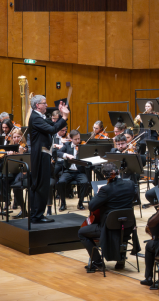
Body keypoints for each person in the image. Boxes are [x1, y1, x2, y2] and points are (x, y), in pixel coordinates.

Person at [79, 162, 139, 272]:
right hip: (127, 228)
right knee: (121, 224)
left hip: (109, 230)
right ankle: (121, 261)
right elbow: (135, 198)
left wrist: (98, 193)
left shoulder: (105, 190)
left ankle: (97, 261)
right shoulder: (130, 184)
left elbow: (92, 206)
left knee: (82, 232)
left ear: (105, 175)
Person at [27, 95, 69, 223]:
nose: (47, 105)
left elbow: (53, 124)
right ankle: (37, 215)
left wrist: (62, 115)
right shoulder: (35, 118)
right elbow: (52, 130)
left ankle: (36, 215)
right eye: (44, 103)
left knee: (39, 185)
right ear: (38, 105)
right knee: (41, 185)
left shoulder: (40, 117)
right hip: (40, 155)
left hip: (42, 154)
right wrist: (65, 117)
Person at [57, 130, 90, 211]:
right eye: (76, 139)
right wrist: (67, 155)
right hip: (68, 171)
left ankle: (80, 203)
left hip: (79, 172)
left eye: (79, 138)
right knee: (61, 182)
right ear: (71, 139)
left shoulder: (83, 146)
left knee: (85, 182)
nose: (78, 141)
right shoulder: (67, 145)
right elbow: (58, 153)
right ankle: (63, 204)